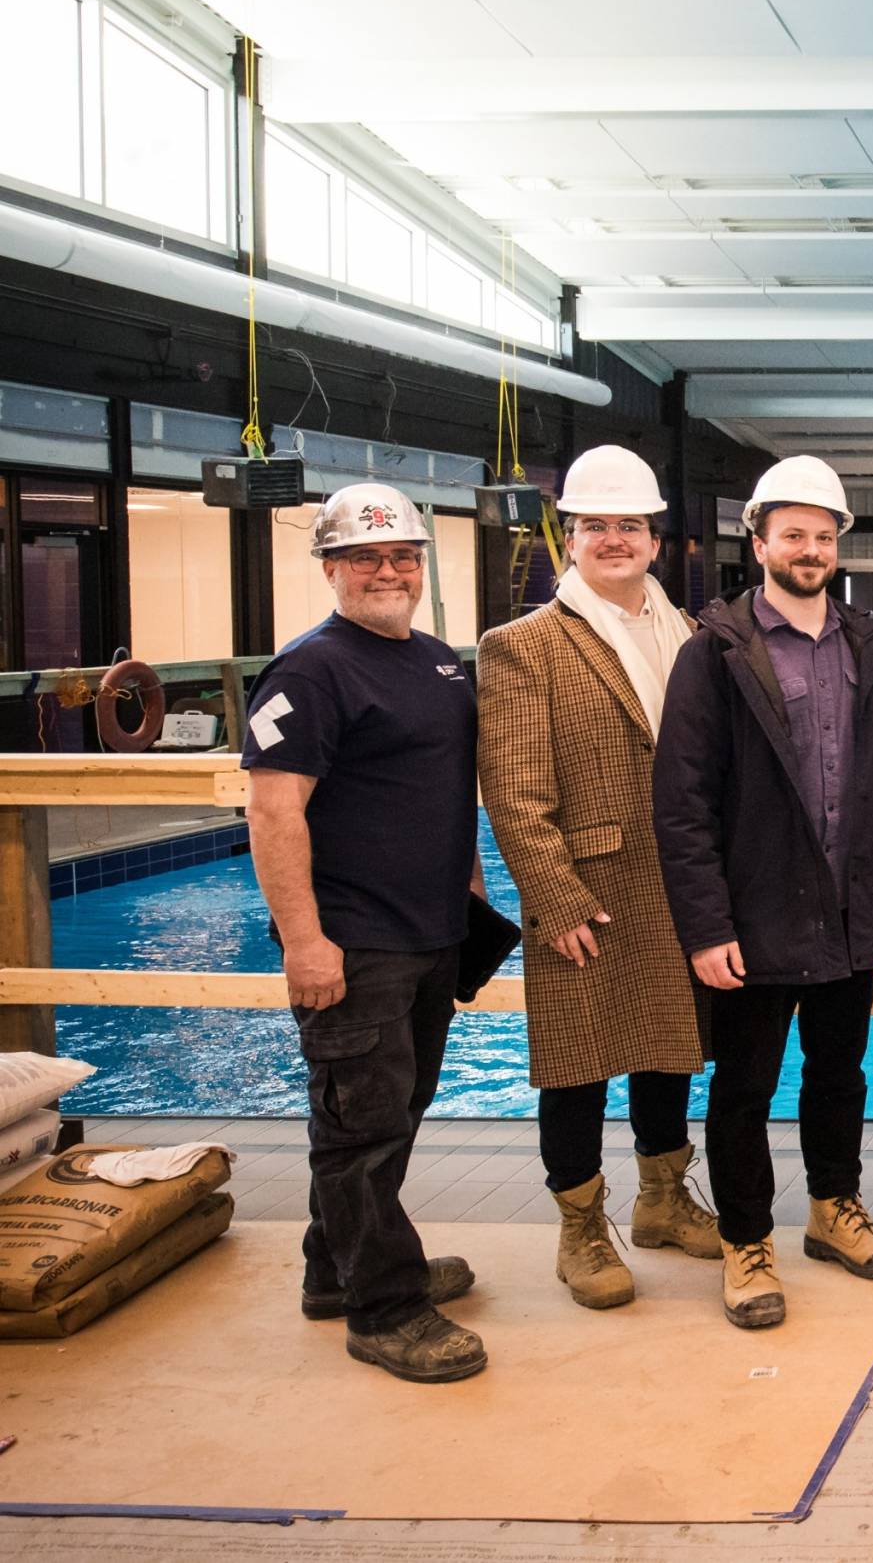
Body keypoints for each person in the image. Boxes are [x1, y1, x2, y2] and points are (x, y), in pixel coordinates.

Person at [653, 455, 873, 1329]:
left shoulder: (869, 646)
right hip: (756, 911)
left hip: (853, 907)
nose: (809, 549)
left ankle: (832, 1211)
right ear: (761, 540)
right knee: (743, 1087)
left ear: (837, 543)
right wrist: (706, 926)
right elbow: (682, 801)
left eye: (823, 535)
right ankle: (746, 1241)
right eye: (794, 535)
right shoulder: (716, 655)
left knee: (840, 1075)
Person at [244, 482, 486, 1383]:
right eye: (366, 558)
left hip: (430, 933)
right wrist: (303, 941)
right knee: (361, 1127)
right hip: (354, 940)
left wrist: (466, 888)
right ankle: (384, 1309)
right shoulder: (311, 671)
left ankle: (330, 1270)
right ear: (332, 568)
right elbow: (274, 814)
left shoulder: (436, 661)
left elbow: (443, 786)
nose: (387, 571)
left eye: (402, 556)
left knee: (392, 1109)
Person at [477, 445, 718, 1310]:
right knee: (576, 1063)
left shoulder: (691, 633)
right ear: (567, 539)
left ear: (654, 538)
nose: (613, 539)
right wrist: (554, 896)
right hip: (590, 886)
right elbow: (511, 788)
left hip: (681, 883)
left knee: (669, 1048)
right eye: (595, 526)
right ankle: (581, 1229)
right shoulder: (522, 647)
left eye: (629, 525)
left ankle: (661, 1201)